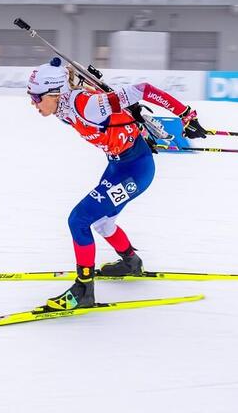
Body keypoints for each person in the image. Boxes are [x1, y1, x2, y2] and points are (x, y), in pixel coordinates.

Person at [27, 57, 207, 310]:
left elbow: (143, 89)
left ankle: (83, 290)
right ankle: (131, 262)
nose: (32, 103)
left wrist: (185, 114)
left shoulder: (87, 105)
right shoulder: (61, 106)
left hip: (136, 170)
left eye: (36, 97)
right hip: (118, 166)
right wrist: (138, 129)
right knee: (102, 221)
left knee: (78, 220)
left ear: (54, 92)